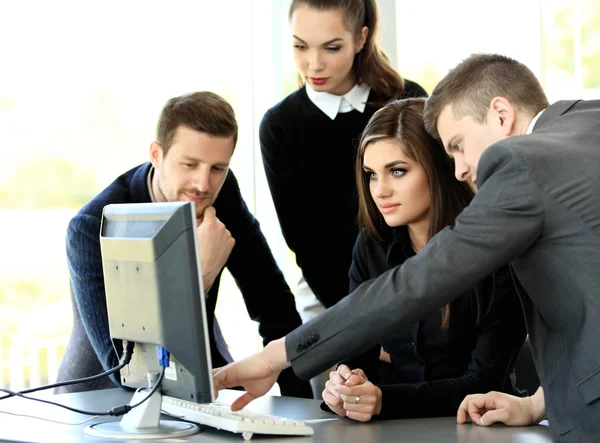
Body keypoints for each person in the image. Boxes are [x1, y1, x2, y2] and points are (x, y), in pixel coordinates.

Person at [213, 54, 600, 442]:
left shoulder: (519, 164)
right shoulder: (589, 121)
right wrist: (537, 403)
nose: (461, 169)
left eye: (459, 146)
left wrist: (274, 357)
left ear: (501, 115)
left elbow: (416, 284)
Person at [65, 91, 311, 398]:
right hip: (104, 395)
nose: (203, 184)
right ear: (156, 154)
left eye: (218, 168)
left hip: (199, 373)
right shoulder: (90, 228)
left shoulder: (219, 192)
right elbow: (126, 367)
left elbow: (273, 302)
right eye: (189, 164)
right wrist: (199, 274)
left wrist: (302, 411)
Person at [320, 98, 526, 422]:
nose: (380, 190)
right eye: (371, 175)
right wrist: (345, 384)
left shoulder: (497, 247)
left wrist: (383, 401)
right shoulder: (372, 245)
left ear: (440, 167)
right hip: (397, 430)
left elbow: (485, 383)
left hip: (486, 428)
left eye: (397, 171)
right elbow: (355, 350)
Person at [260, 0, 427, 398]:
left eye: (330, 48)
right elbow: (306, 244)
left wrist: (399, 321)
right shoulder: (279, 126)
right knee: (338, 402)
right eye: (301, 47)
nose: (313, 64)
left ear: (361, 38)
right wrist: (361, 328)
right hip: (328, 293)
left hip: (418, 280)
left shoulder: (409, 101)